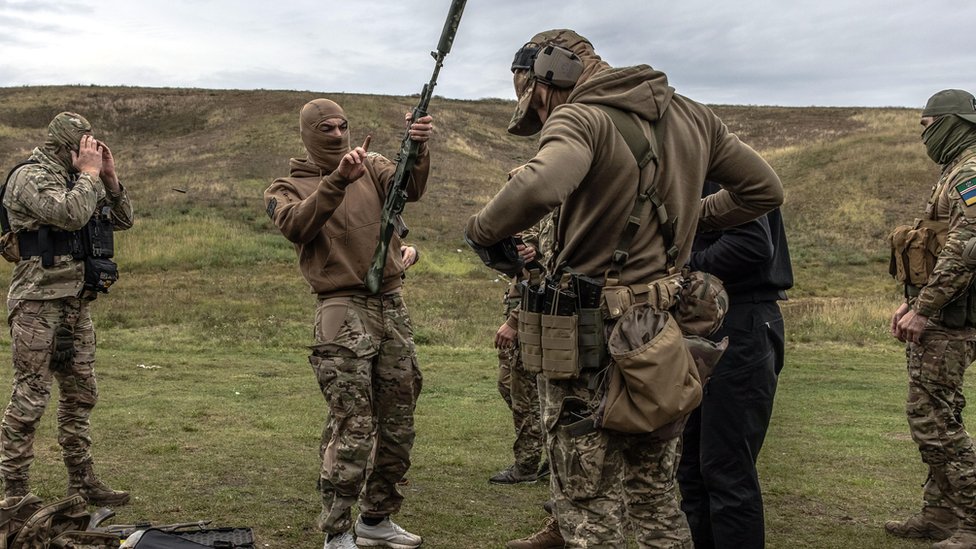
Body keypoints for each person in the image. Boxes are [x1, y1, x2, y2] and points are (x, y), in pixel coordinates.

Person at [465, 29, 783, 548]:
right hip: (660, 333)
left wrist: (481, 231)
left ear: (549, 76)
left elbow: (542, 185)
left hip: (587, 338)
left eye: (533, 98)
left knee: (586, 502)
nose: (539, 113)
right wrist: (691, 217)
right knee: (656, 494)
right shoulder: (695, 116)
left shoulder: (580, 117)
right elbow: (765, 190)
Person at [263, 99, 433, 549]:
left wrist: (417, 147)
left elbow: (408, 188)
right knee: (353, 425)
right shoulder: (287, 186)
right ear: (308, 133)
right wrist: (338, 180)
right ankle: (337, 530)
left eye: (343, 126)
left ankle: (376, 519)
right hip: (341, 310)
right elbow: (298, 226)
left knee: (398, 421)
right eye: (327, 128)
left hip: (391, 305)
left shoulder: (373, 163)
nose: (338, 134)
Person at [0, 112, 133, 506]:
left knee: (80, 394)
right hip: (37, 304)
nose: (90, 152)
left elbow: (124, 219)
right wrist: (90, 176)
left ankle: (83, 481)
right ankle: (15, 492)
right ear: (64, 146)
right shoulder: (30, 177)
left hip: (77, 304)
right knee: (30, 396)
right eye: (84, 145)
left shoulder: (83, 179)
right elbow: (69, 215)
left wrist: (108, 178)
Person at [676, 180, 793, 549]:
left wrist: (682, 268)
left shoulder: (719, 168)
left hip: (740, 323)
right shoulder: (691, 165)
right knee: (692, 468)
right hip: (707, 325)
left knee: (726, 469)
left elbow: (752, 243)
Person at [886, 89, 976, 549]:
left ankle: (972, 520)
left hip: (953, 319)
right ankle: (940, 515)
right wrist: (912, 301)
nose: (925, 137)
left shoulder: (970, 171)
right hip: (945, 311)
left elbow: (966, 250)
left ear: (952, 123)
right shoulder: (954, 170)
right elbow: (935, 244)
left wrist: (924, 309)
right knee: (936, 412)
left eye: (928, 126)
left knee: (934, 419)